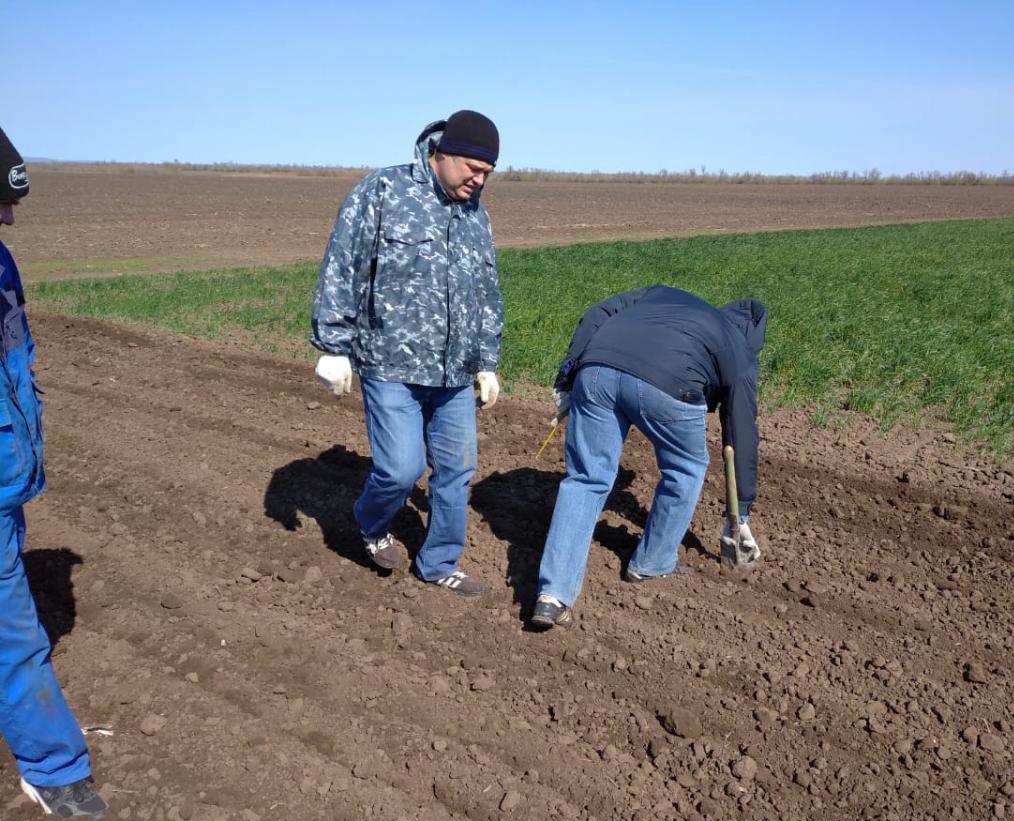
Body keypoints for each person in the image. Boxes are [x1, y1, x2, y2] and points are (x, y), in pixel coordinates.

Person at [311, 111, 502, 597]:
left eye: (487, 174)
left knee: (457, 470)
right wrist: (334, 345)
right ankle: (370, 524)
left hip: (455, 370)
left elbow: (486, 289)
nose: (478, 181)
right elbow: (343, 263)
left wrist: (487, 360)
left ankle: (438, 562)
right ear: (441, 153)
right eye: (472, 169)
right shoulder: (383, 192)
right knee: (400, 469)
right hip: (390, 362)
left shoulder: (475, 213)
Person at [530, 284, 767, 630]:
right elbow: (742, 432)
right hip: (668, 384)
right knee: (685, 468)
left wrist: (566, 380)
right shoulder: (741, 350)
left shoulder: (663, 294)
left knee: (585, 479)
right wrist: (740, 511)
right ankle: (651, 564)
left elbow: (598, 312)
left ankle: (552, 597)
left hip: (596, 370)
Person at [0, 127, 107, 819]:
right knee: (16, 631)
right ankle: (53, 762)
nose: (8, 219)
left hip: (5, 481)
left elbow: (19, 361)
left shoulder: (2, 265)